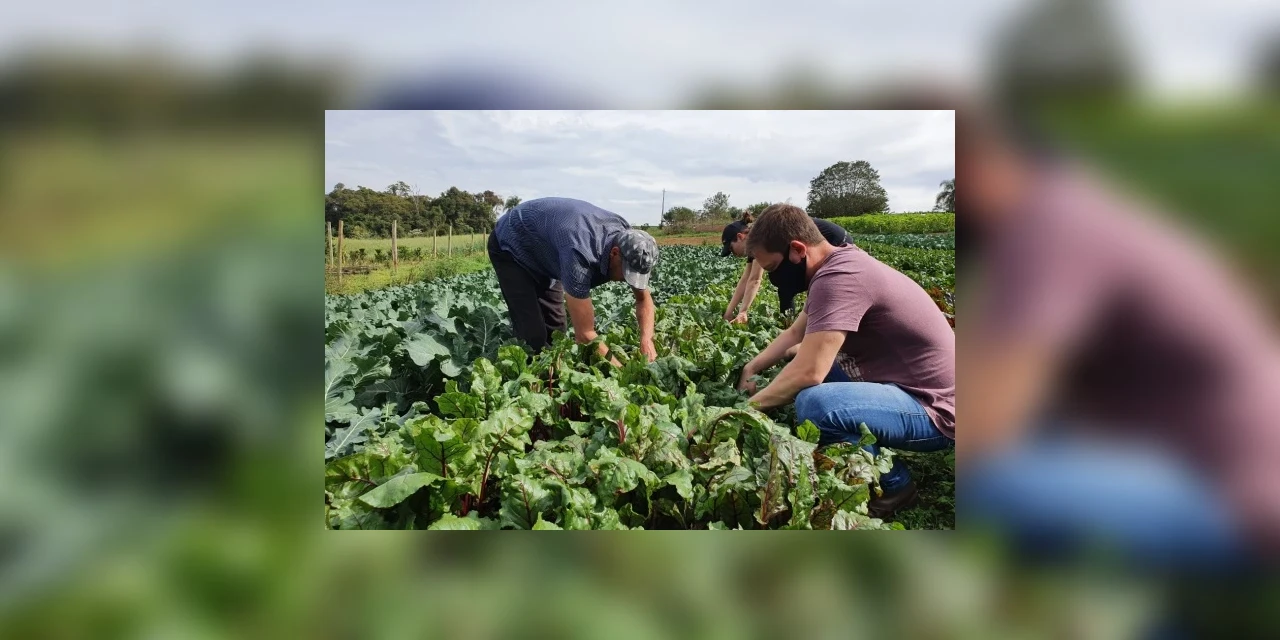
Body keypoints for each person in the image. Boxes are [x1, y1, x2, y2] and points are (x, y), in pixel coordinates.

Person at [735, 204, 955, 518]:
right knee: (805, 374)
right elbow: (795, 333)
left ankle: (895, 485)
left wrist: (742, 413)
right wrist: (752, 367)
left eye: (772, 268)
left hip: (937, 408)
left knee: (816, 404)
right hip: (912, 388)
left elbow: (809, 372)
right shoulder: (837, 265)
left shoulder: (840, 278)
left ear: (798, 250)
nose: (773, 279)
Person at [489, 197, 660, 362]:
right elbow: (585, 335)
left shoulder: (631, 244)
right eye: (627, 273)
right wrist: (625, 373)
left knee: (556, 328)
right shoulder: (579, 254)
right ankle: (521, 373)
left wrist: (647, 339)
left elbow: (643, 299)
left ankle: (549, 371)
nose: (629, 280)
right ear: (614, 253)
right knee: (533, 335)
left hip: (547, 247)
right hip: (512, 245)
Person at [720, 210, 852, 323]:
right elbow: (746, 279)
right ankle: (791, 322)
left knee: (784, 280)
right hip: (826, 239)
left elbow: (755, 280)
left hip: (834, 240)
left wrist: (743, 311)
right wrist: (729, 312)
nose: (733, 254)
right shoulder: (755, 239)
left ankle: (801, 323)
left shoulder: (759, 238)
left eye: (731, 248)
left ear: (740, 237)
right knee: (784, 281)